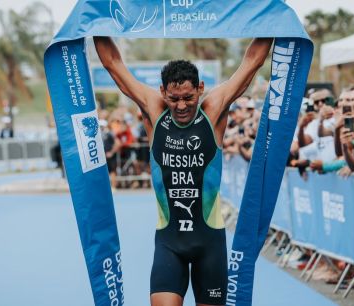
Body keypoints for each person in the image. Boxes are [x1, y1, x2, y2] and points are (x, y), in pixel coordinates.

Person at [94, 36, 272, 306]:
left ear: (200, 89)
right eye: (174, 98)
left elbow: (252, 61)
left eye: (188, 97)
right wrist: (95, 21)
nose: (181, 106)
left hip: (209, 244)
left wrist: (271, 18)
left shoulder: (213, 110)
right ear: (163, 91)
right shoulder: (155, 111)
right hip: (169, 243)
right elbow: (113, 63)